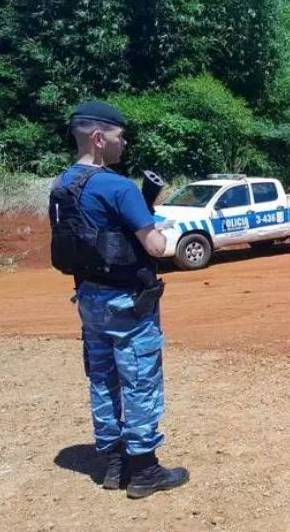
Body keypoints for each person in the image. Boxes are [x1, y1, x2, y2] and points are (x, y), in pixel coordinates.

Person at [48, 101, 189, 499]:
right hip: (128, 302)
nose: (124, 142)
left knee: (103, 379)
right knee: (140, 380)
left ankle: (112, 462)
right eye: (119, 135)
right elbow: (155, 246)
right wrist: (164, 230)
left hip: (88, 298)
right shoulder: (118, 186)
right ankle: (144, 469)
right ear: (98, 137)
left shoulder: (62, 185)